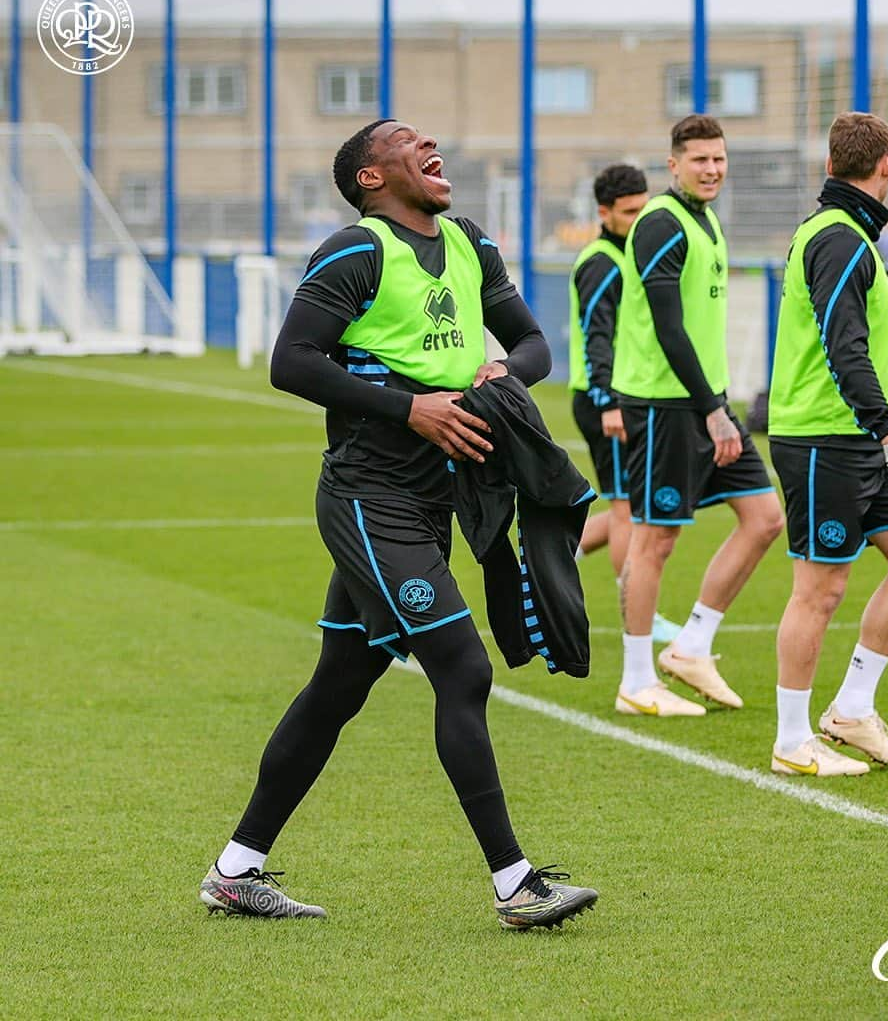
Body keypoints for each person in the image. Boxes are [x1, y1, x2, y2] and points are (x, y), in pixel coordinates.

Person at [198, 119, 597, 929]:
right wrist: (409, 408)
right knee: (463, 668)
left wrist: (501, 371)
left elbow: (532, 343)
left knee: (339, 684)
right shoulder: (356, 249)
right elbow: (293, 360)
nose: (432, 145)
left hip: (433, 495)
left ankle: (236, 869)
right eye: (409, 141)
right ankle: (517, 885)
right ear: (372, 178)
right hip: (366, 493)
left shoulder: (470, 244)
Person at [767, 111, 888, 777]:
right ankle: (790, 741)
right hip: (824, 439)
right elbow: (846, 350)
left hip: (858, 439)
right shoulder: (838, 238)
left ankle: (851, 711)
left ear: (829, 164)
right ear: (887, 166)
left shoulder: (852, 234)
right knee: (820, 590)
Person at [610, 114, 785, 718]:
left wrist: (716, 404)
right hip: (664, 405)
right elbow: (666, 325)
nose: (712, 169)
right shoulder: (661, 222)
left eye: (719, 158)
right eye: (700, 159)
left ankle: (691, 645)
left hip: (704, 401)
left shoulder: (704, 220)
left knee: (764, 517)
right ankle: (636, 680)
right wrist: (713, 410)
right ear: (674, 165)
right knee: (655, 539)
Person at [567, 163, 680, 643]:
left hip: (625, 398)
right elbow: (598, 339)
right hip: (605, 402)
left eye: (644, 209)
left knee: (626, 506)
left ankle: (544, 558)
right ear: (604, 213)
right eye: (628, 212)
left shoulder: (628, 255)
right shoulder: (600, 263)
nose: (638, 219)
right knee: (627, 510)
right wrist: (609, 402)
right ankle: (639, 610)